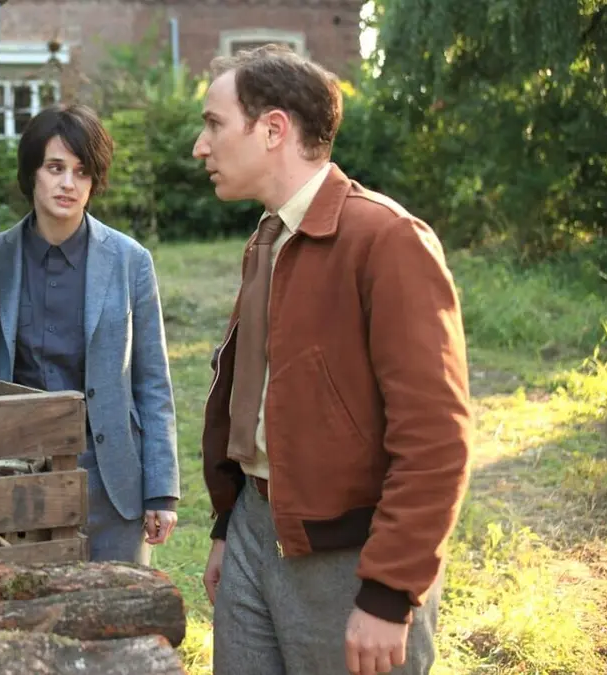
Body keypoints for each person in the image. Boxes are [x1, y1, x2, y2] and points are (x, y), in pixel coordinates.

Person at [193, 45, 472, 675]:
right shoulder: (267, 238)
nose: (200, 147)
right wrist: (229, 526)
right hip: (252, 530)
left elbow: (436, 438)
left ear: (273, 129)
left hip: (351, 555)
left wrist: (389, 589)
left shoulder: (388, 240)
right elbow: (253, 401)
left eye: (213, 124)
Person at [0, 104, 180, 564]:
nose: (68, 184)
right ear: (31, 173)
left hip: (111, 480)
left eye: (82, 172)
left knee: (121, 605)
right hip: (16, 476)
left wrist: (161, 491)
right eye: (55, 168)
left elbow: (153, 382)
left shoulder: (131, 261)